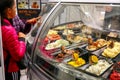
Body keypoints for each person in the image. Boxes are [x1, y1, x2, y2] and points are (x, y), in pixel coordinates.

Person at [0, 0, 26, 80]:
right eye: (15, 7)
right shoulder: (8, 30)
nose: (16, 10)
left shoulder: (3, 23)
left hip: (5, 66)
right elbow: (18, 55)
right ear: (9, 10)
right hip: (11, 69)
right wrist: (22, 39)